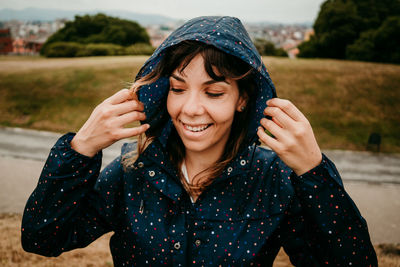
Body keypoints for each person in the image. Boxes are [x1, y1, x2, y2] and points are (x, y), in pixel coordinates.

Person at [21, 16, 377, 266]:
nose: (191, 109)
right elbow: (42, 238)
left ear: (242, 100)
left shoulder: (272, 180)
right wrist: (80, 148)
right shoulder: (135, 170)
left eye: (214, 92)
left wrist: (314, 172)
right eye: (178, 88)